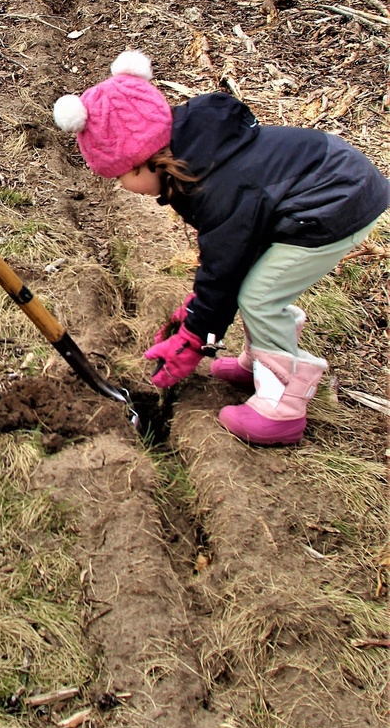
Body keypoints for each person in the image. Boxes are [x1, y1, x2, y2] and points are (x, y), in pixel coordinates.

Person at [53, 52, 388, 447]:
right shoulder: (196, 157)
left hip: (335, 203)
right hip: (316, 188)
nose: (122, 185)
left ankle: (284, 401)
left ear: (145, 159)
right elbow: (225, 258)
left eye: (121, 175)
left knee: (261, 295)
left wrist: (197, 335)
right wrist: (199, 310)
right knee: (251, 281)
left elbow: (226, 265)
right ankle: (263, 360)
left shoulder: (216, 185)